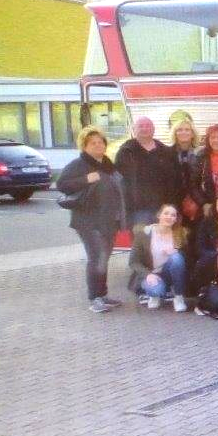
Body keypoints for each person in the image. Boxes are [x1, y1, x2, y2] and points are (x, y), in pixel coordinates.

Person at [56, 125, 126, 313]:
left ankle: (102, 295)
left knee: (104, 258)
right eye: (92, 143)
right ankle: (95, 298)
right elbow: (61, 184)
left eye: (100, 142)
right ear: (84, 146)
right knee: (97, 258)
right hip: (88, 221)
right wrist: (85, 179)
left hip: (109, 220)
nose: (97, 145)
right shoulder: (78, 165)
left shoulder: (107, 164)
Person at [116, 116, 181, 228]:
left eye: (148, 126)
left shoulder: (166, 152)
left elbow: (174, 181)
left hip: (163, 209)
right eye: (141, 126)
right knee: (142, 243)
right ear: (134, 130)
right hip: (138, 211)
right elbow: (119, 180)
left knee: (163, 243)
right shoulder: (126, 152)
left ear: (153, 129)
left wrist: (172, 205)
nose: (145, 129)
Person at [128, 204, 189, 312]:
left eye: (173, 215)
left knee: (176, 258)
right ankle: (154, 295)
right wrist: (148, 274)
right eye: (166, 213)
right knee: (156, 290)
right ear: (159, 215)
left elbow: (187, 259)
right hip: (152, 273)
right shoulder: (144, 234)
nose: (169, 217)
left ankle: (178, 297)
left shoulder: (180, 234)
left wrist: (177, 252)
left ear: (176, 219)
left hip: (168, 273)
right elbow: (133, 261)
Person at [171, 118, 201, 222]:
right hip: (175, 201)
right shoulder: (167, 153)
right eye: (179, 130)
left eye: (187, 130)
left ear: (193, 134)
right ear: (175, 134)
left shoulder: (201, 153)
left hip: (198, 200)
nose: (183, 132)